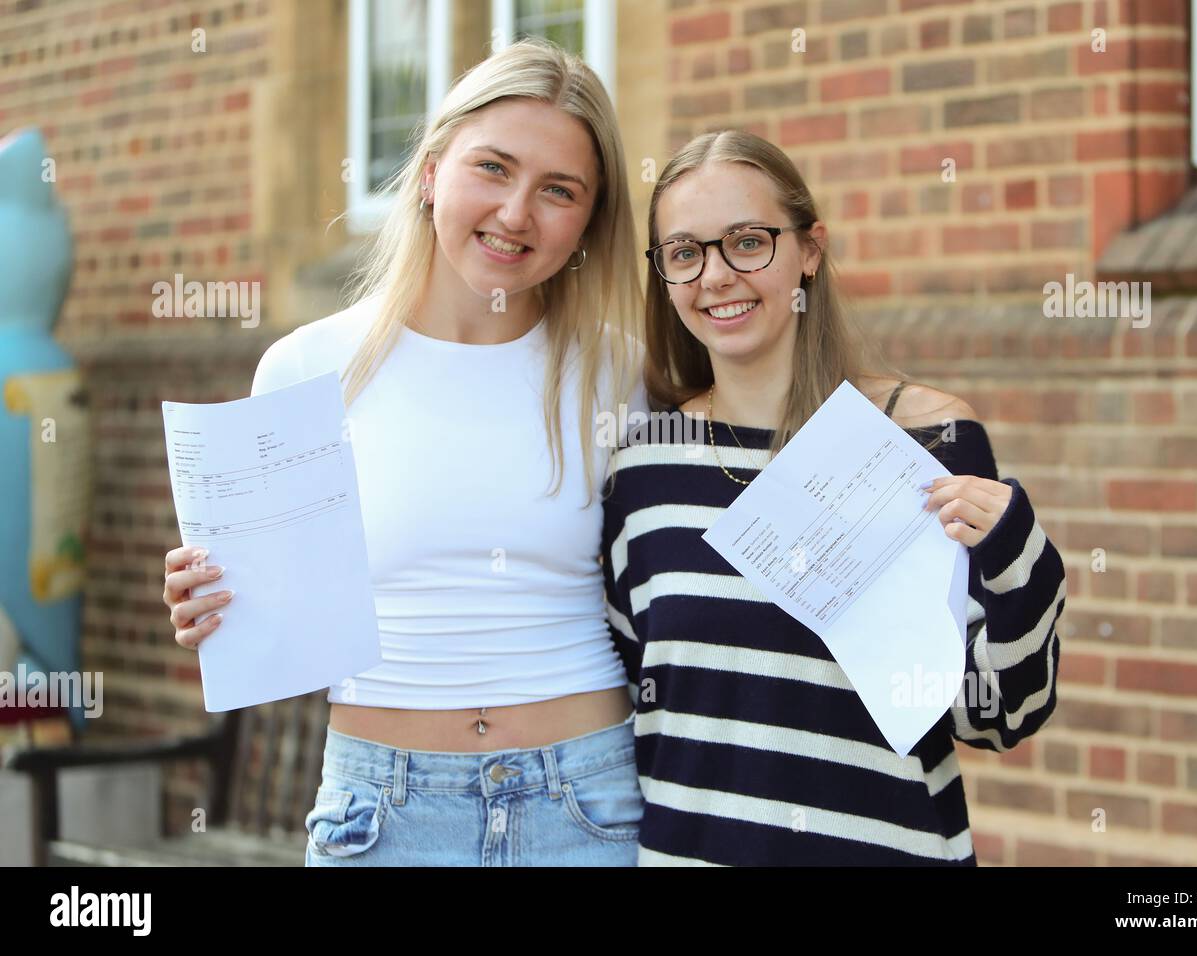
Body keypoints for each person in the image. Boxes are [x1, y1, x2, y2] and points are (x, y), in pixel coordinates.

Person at [162, 39, 648, 866]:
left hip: (588, 803)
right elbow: (269, 616)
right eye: (492, 168)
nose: (516, 213)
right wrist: (209, 604)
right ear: (430, 173)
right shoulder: (307, 368)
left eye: (558, 190)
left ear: (588, 225)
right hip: (382, 811)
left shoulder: (622, 371)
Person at [601, 129, 1067, 865]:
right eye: (685, 253)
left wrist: (1019, 554)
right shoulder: (642, 465)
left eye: (747, 242)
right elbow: (625, 708)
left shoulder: (927, 441)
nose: (715, 275)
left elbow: (1000, 715)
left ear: (809, 251)